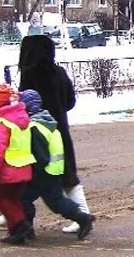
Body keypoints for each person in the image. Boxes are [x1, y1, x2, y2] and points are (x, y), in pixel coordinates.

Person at [16, 35, 90, 234]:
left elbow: (23, 104)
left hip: (36, 133)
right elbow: (70, 102)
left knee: (26, 177)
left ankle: (16, 215)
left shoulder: (30, 74)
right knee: (68, 176)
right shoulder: (59, 72)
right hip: (60, 131)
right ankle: (82, 214)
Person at [18, 89, 96, 240]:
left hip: (42, 173)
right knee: (56, 202)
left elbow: (40, 156)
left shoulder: (34, 128)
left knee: (23, 198)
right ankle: (83, 218)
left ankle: (26, 229)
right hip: (55, 170)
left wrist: (30, 170)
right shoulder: (49, 123)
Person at [0, 84, 35, 245]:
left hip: (8, 169)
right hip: (24, 167)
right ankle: (16, 231)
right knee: (13, 199)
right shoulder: (21, 117)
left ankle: (20, 225)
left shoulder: (2, 123)